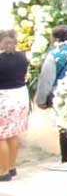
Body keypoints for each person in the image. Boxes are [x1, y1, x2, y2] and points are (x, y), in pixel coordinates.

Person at [34, 25, 67, 170]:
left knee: (64, 125)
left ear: (55, 38)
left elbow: (46, 79)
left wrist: (41, 100)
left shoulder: (55, 54)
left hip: (62, 93)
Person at [0, 30, 30, 181]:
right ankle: (11, 167)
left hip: (3, 97)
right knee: (13, 133)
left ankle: (2, 171)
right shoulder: (22, 56)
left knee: (1, 137)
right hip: (20, 96)